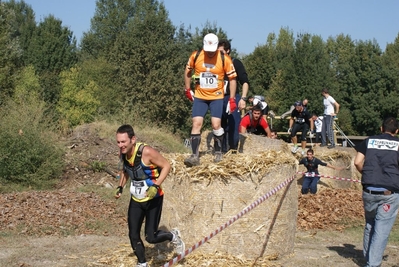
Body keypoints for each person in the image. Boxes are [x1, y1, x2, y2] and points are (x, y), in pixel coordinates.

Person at [115, 124, 185, 267]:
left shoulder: (146, 152)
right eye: (118, 142)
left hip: (153, 198)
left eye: (123, 142)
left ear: (132, 139)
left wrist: (156, 185)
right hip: (136, 199)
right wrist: (120, 187)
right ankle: (142, 263)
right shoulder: (122, 152)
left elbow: (166, 166)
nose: (120, 145)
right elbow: (126, 170)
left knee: (151, 237)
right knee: (133, 235)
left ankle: (173, 236)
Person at [183, 33, 237, 166]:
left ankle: (218, 152)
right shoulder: (196, 56)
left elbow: (233, 79)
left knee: (216, 125)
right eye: (208, 51)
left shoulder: (225, 59)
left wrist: (232, 99)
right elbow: (187, 71)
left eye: (213, 51)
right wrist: (187, 89)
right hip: (200, 96)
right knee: (196, 123)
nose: (210, 53)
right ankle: (194, 155)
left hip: (216, 97)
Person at [354, 117, 399, 267]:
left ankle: (368, 258)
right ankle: (372, 264)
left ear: (381, 128)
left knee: (370, 224)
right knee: (382, 230)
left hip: (369, 190)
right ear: (397, 131)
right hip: (389, 193)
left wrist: (366, 174)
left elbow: (357, 162)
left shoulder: (369, 141)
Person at [218, 39, 249, 153]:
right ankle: (221, 152)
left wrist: (243, 98)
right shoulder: (215, 65)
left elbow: (245, 82)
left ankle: (233, 150)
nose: (219, 55)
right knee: (219, 127)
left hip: (232, 97)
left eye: (221, 52)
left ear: (228, 51)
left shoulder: (235, 63)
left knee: (233, 127)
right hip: (217, 98)